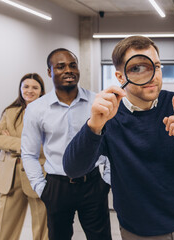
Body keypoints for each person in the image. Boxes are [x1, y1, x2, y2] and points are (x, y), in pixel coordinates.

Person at [63, 36, 174, 239]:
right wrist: (94, 125)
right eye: (137, 69)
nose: (152, 76)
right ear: (120, 76)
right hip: (136, 231)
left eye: (157, 66)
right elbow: (73, 168)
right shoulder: (109, 115)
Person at [21, 48, 111, 240]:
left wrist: (107, 181)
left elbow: (111, 145)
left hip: (93, 184)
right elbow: (29, 154)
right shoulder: (37, 109)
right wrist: (41, 188)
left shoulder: (97, 102)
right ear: (49, 72)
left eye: (73, 65)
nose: (68, 70)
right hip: (57, 186)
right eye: (60, 66)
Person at [0, 73, 48, 240]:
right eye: (26, 86)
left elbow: (46, 146)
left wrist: (11, 142)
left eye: (34, 87)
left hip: (38, 175)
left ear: (41, 91)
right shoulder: (10, 112)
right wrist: (26, 144)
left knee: (42, 229)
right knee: (5, 227)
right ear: (20, 89)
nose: (29, 90)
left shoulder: (47, 112)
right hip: (10, 176)